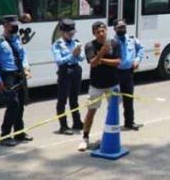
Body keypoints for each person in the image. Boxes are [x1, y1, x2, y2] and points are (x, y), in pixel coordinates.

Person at [0, 15, 32, 147]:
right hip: (8, 76)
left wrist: (26, 67)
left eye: (16, 24)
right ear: (5, 25)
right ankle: (5, 135)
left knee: (21, 104)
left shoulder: (17, 39)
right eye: (13, 24)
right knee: (13, 104)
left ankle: (19, 133)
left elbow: (23, 55)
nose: (16, 27)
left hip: (19, 74)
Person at [79, 21, 120, 152]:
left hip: (112, 84)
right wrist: (102, 52)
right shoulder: (90, 45)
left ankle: (107, 135)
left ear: (107, 31)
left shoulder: (114, 43)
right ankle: (85, 138)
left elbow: (117, 62)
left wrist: (102, 60)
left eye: (103, 31)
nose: (101, 34)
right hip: (96, 84)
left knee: (113, 111)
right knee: (91, 110)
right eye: (98, 32)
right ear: (94, 33)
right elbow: (93, 63)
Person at [51, 18, 84, 135]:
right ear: (62, 32)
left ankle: (77, 121)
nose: (71, 35)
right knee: (62, 100)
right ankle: (63, 125)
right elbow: (59, 61)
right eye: (69, 33)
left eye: (72, 32)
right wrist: (72, 55)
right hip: (65, 71)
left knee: (74, 99)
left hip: (76, 70)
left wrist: (79, 54)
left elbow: (81, 58)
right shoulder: (57, 45)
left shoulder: (76, 43)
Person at [113, 19, 143, 131]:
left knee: (128, 99)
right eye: (119, 28)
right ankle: (113, 123)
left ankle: (129, 122)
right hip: (116, 73)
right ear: (114, 29)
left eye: (123, 27)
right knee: (114, 100)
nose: (122, 29)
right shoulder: (111, 41)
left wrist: (137, 60)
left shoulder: (131, 39)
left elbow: (141, 49)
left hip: (128, 72)